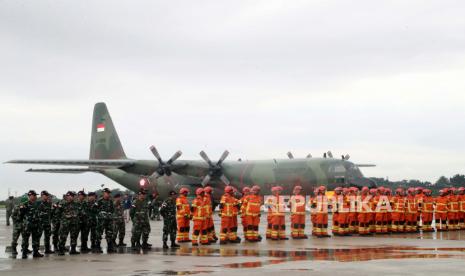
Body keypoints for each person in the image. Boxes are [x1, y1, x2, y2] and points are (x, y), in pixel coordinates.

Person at [20, 190, 43, 259]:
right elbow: (21, 215)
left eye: (36, 195)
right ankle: (24, 253)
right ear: (30, 196)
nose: (36, 196)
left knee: (36, 239)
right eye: (34, 195)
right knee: (25, 239)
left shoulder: (38, 204)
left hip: (36, 224)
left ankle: (35, 252)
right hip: (28, 225)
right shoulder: (25, 204)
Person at [57, 191, 80, 255]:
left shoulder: (76, 203)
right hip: (65, 223)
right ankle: (61, 250)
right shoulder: (62, 203)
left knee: (74, 236)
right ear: (68, 196)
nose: (72, 197)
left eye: (73, 196)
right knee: (63, 237)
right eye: (71, 196)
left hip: (74, 223)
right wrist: (62, 220)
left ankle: (73, 249)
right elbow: (57, 213)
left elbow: (78, 212)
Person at [97, 188, 116, 253]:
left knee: (109, 233)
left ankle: (110, 247)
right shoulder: (99, 201)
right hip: (101, 221)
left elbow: (113, 210)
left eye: (109, 193)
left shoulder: (110, 201)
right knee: (99, 233)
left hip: (109, 220)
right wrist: (100, 215)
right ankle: (97, 247)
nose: (108, 194)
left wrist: (112, 217)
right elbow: (96, 210)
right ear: (103, 193)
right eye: (107, 193)